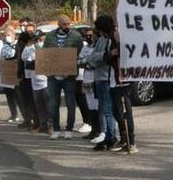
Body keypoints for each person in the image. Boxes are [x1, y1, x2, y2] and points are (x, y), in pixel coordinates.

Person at [43, 14, 84, 140]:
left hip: (69, 76)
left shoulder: (76, 37)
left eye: (68, 24)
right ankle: (55, 129)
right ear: (58, 24)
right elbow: (45, 54)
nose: (67, 26)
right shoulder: (49, 36)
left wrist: (71, 66)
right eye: (64, 24)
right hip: (53, 76)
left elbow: (81, 54)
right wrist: (46, 69)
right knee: (53, 103)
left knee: (70, 103)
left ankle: (69, 129)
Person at [88, 16, 121, 151]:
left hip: (108, 78)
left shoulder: (113, 39)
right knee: (103, 109)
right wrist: (103, 55)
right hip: (99, 78)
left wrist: (102, 56)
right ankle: (108, 135)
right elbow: (92, 57)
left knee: (108, 110)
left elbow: (108, 57)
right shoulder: (101, 40)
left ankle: (111, 137)